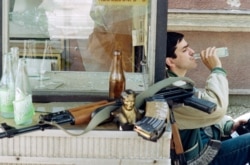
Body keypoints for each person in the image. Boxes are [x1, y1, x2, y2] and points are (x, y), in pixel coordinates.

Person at [166, 32, 250, 165]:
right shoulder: (173, 90)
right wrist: (217, 69)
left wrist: (229, 125)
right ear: (170, 61)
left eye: (189, 47)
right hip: (200, 159)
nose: (192, 52)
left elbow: (199, 113)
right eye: (185, 49)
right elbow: (215, 108)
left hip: (207, 145)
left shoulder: (178, 83)